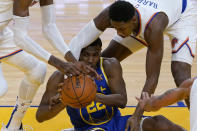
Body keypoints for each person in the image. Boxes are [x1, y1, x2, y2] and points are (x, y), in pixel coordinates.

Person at [68, 0, 197, 130]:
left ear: (133, 20)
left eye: (121, 29)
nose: (118, 33)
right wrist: (69, 80)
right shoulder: (108, 14)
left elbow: (152, 77)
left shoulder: (153, 28)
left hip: (181, 17)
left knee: (180, 73)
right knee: (100, 61)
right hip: (144, 17)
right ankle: (92, 115)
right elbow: (77, 42)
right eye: (115, 28)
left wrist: (137, 116)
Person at [36, 38, 186, 131]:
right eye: (85, 54)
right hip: (86, 128)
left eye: (95, 54)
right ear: (76, 54)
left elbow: (122, 101)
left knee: (161, 123)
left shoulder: (109, 65)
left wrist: (93, 96)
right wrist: (65, 101)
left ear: (100, 52)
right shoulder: (61, 76)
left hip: (116, 123)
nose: (90, 60)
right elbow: (40, 116)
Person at [1, 0, 96, 131]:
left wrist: (73, 61)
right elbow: (20, 38)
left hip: (2, 34)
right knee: (1, 89)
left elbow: (49, 27)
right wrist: (59, 64)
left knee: (37, 70)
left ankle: (14, 126)